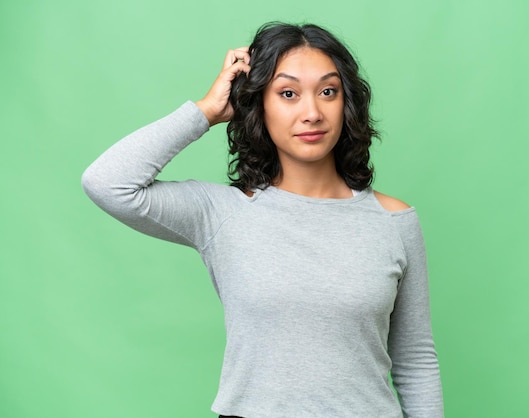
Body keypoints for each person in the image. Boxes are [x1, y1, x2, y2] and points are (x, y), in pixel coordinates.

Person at [82, 22, 444, 418]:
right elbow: (108, 182)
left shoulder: (394, 220)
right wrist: (206, 110)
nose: (312, 112)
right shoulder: (223, 213)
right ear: (259, 105)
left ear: (347, 103)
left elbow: (415, 360)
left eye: (328, 91)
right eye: (288, 93)